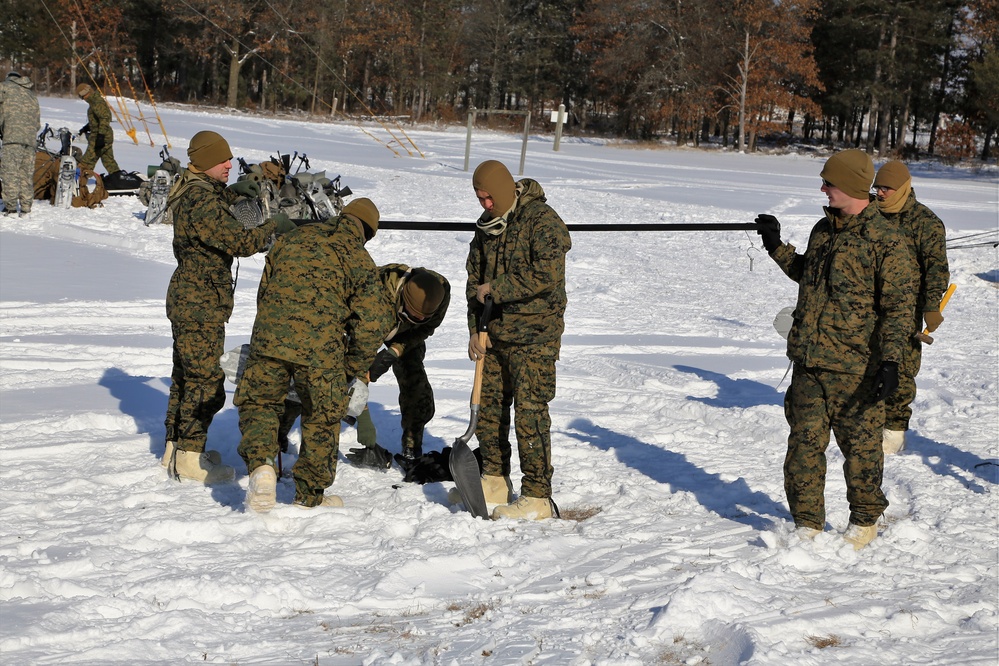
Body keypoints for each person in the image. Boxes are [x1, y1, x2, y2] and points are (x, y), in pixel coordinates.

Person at [755, 149, 917, 550]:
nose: (823, 188)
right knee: (803, 446)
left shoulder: (889, 242)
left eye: (829, 182)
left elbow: (899, 310)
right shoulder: (823, 230)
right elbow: (809, 275)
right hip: (809, 361)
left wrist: (892, 361)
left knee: (860, 450)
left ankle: (864, 520)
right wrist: (776, 246)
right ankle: (807, 522)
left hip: (856, 367)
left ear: (850, 186)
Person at [236, 198, 394, 512]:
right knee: (321, 417)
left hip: (270, 338)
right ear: (366, 233)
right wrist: (353, 364)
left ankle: (263, 468)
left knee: (262, 403)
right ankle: (309, 496)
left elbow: (265, 291)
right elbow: (374, 322)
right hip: (322, 351)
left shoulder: (292, 238)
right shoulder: (359, 259)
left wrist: (271, 332)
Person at [162, 130, 296, 484]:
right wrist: (273, 227)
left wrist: (232, 193)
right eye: (222, 161)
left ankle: (175, 449)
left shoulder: (197, 189)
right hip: (200, 301)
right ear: (206, 162)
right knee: (206, 381)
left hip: (191, 296)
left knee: (185, 376)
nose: (228, 165)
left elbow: (213, 213)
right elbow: (238, 240)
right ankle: (190, 459)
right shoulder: (202, 201)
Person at [460, 159, 571, 521]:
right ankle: (494, 478)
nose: (486, 205)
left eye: (490, 197)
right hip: (495, 333)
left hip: (535, 335)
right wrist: (476, 327)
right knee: (490, 409)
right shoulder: (486, 228)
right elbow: (474, 282)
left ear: (505, 191)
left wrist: (499, 289)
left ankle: (538, 495)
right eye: (480, 199)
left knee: (530, 412)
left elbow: (547, 273)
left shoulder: (542, 220)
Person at [873, 161, 951, 455]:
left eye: (886, 188)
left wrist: (932, 305)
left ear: (903, 188)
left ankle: (893, 432)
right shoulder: (870, 213)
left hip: (906, 307)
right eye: (877, 187)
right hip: (868, 303)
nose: (880, 193)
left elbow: (936, 269)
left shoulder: (925, 222)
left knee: (901, 368)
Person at [340, 264, 450, 469]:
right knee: (340, 377)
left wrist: (395, 351)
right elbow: (359, 359)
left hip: (403, 333)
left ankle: (411, 445)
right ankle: (284, 437)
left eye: (421, 318)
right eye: (412, 315)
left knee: (415, 382)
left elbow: (425, 329)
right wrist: (362, 413)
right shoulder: (376, 299)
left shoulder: (440, 291)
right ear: (402, 298)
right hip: (362, 326)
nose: (418, 320)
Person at [0, 71, 40, 216]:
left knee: (10, 172)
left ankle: (10, 207)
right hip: (30, 140)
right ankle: (26, 207)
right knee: (26, 174)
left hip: (12, 138)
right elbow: (37, 123)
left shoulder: (4, 87)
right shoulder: (31, 95)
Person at [75, 83, 120, 174]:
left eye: (83, 96)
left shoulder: (97, 102)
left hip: (101, 136)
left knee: (87, 161)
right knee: (108, 160)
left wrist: (101, 136)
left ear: (88, 93)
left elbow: (105, 118)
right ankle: (116, 177)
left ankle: (79, 180)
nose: (83, 99)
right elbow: (98, 118)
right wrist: (87, 127)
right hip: (102, 135)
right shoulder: (94, 102)